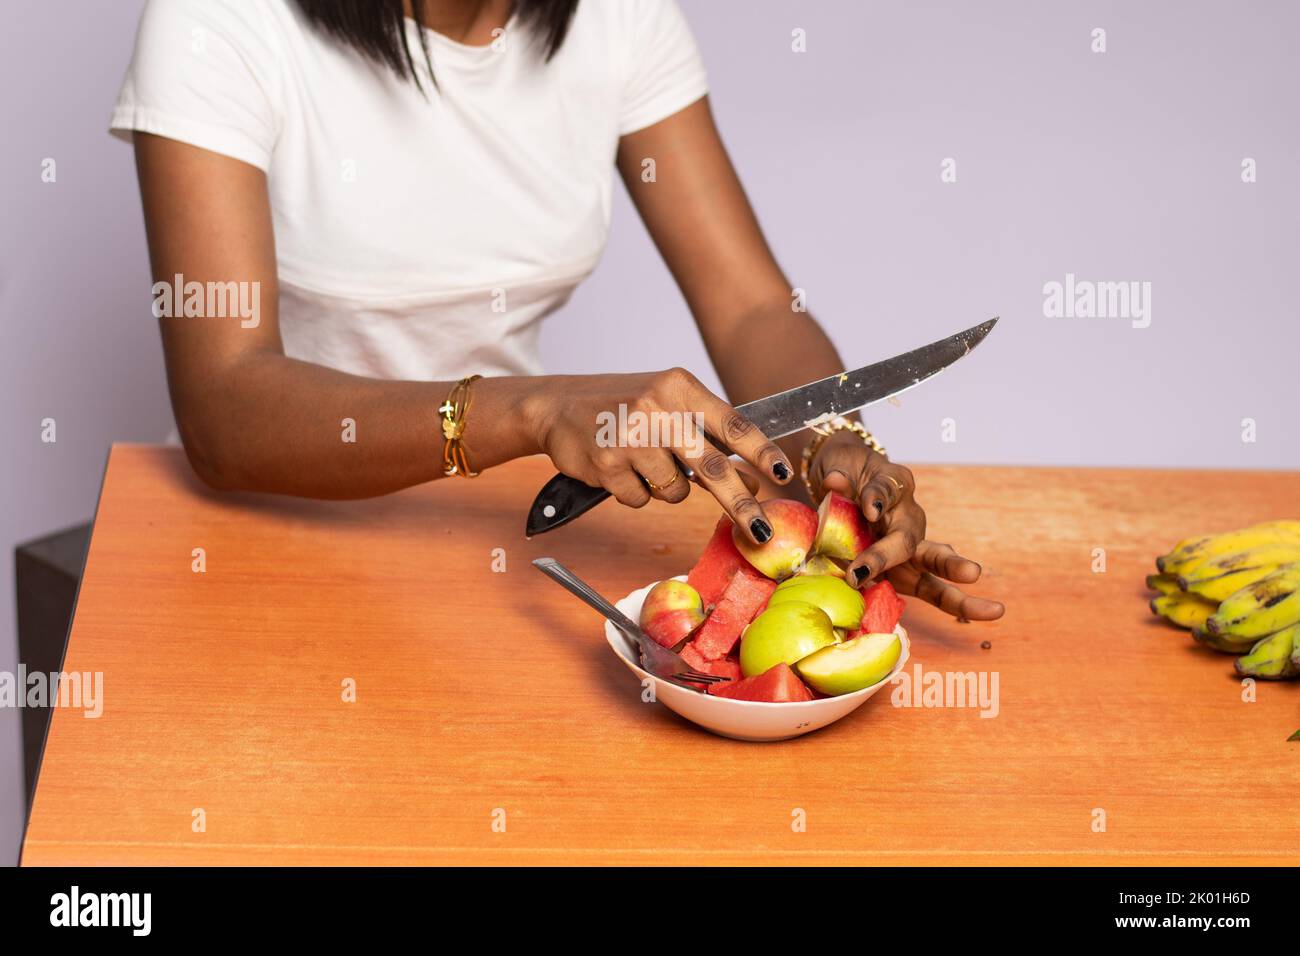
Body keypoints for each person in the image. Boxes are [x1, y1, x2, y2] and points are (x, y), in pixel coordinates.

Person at [111, 0, 1003, 621]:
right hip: (253, 544)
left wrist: (832, 450)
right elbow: (224, 407)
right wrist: (531, 408)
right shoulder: (217, 19)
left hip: (491, 546)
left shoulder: (619, 20)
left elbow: (753, 307)